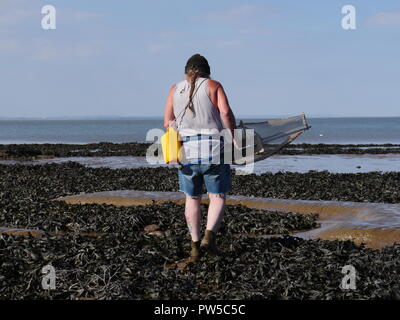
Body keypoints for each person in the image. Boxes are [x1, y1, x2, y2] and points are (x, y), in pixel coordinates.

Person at [163, 54, 237, 262]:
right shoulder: (213, 85)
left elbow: (168, 123)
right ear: (207, 70)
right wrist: (233, 136)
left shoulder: (174, 89)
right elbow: (225, 113)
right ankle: (209, 238)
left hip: (185, 153)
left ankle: (195, 246)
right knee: (217, 196)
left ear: (186, 71)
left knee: (192, 198)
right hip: (213, 149)